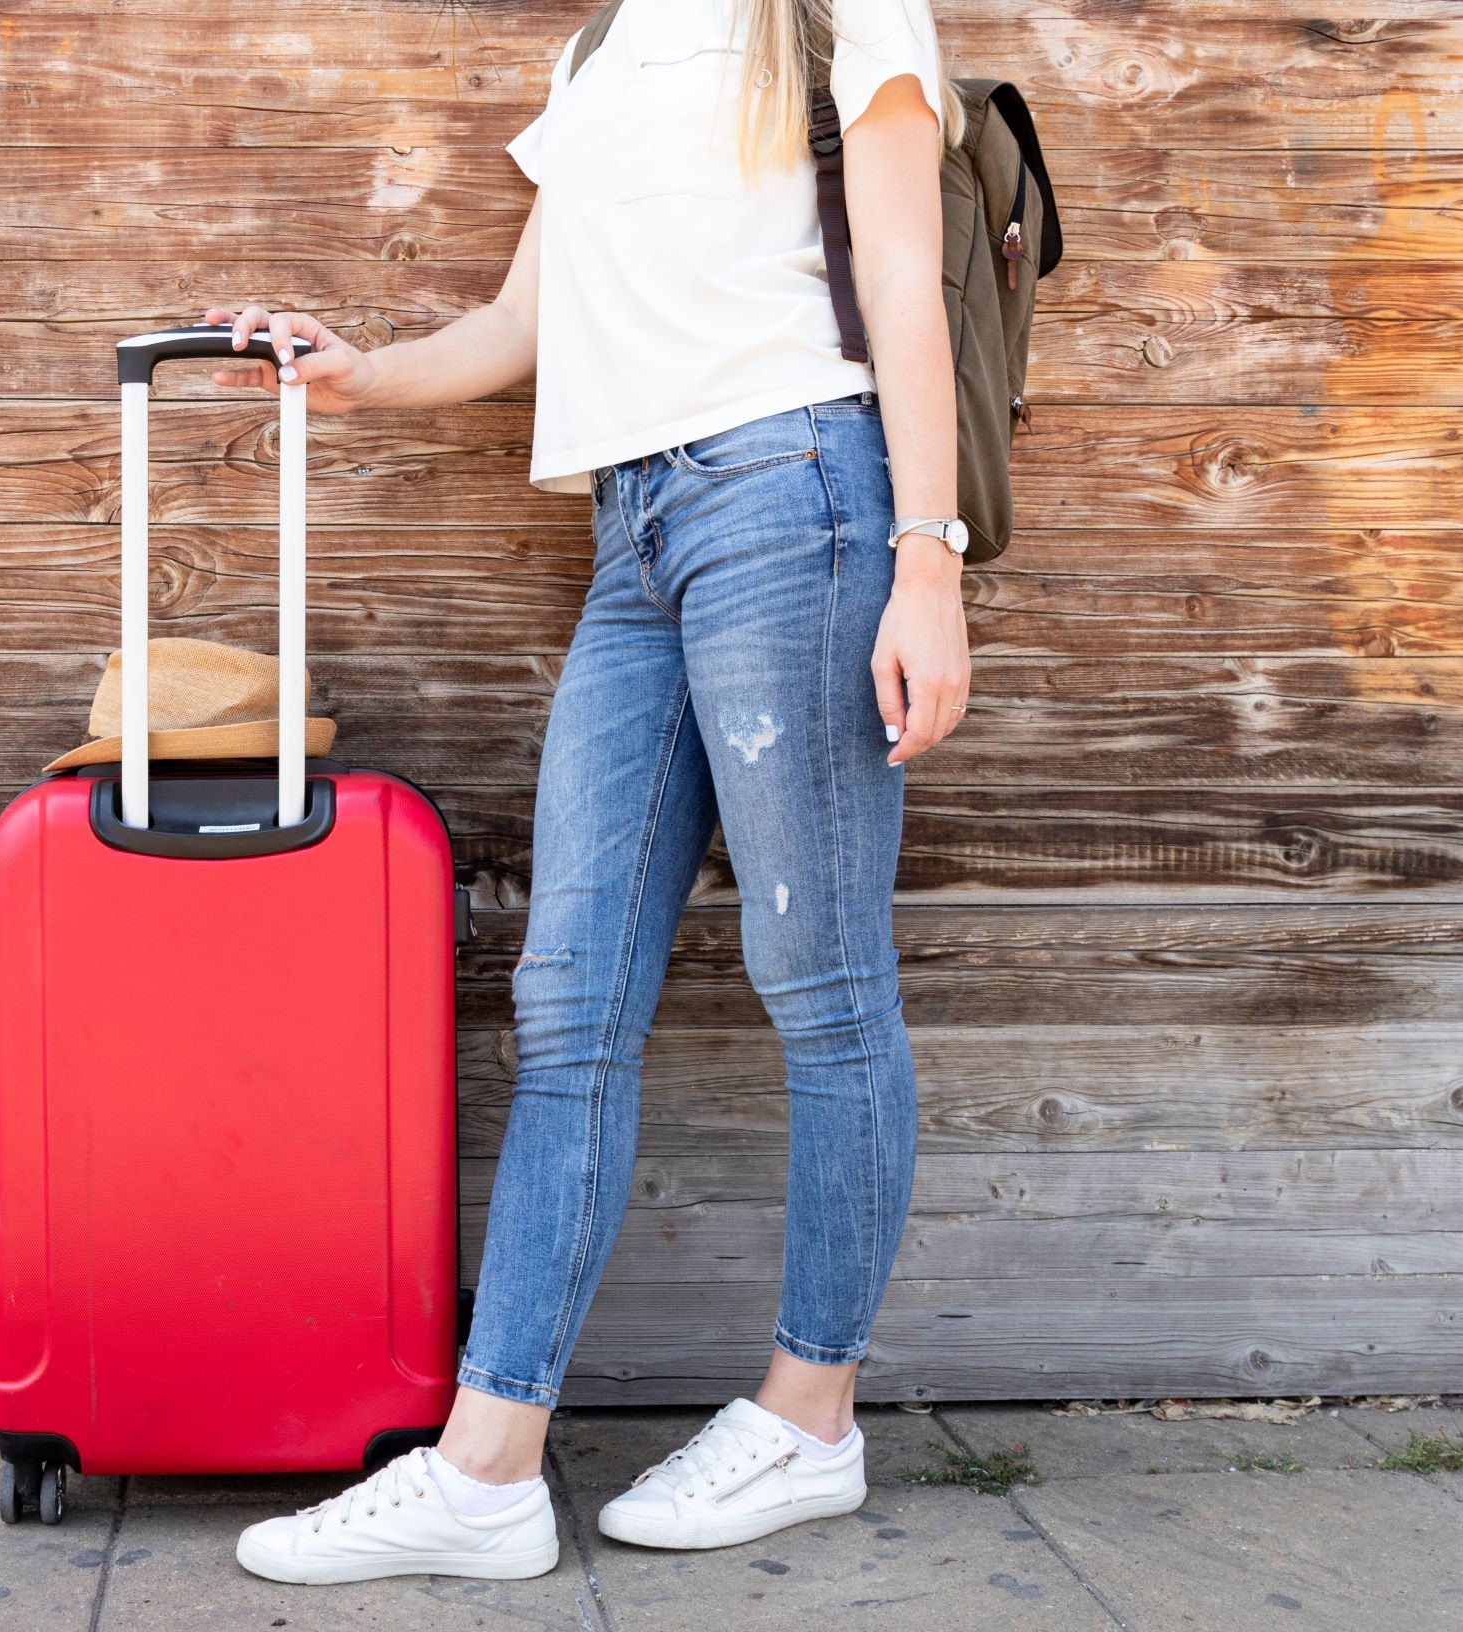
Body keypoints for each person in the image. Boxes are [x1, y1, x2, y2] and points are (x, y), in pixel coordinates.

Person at [206, 0, 971, 1586]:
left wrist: (928, 560)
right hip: (635, 535)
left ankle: (811, 1415)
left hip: (797, 491)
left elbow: (903, 278)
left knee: (821, 985)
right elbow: (520, 324)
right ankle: (486, 1472)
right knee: (569, 1002)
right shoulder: (599, 50)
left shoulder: (833, 10)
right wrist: (361, 376)